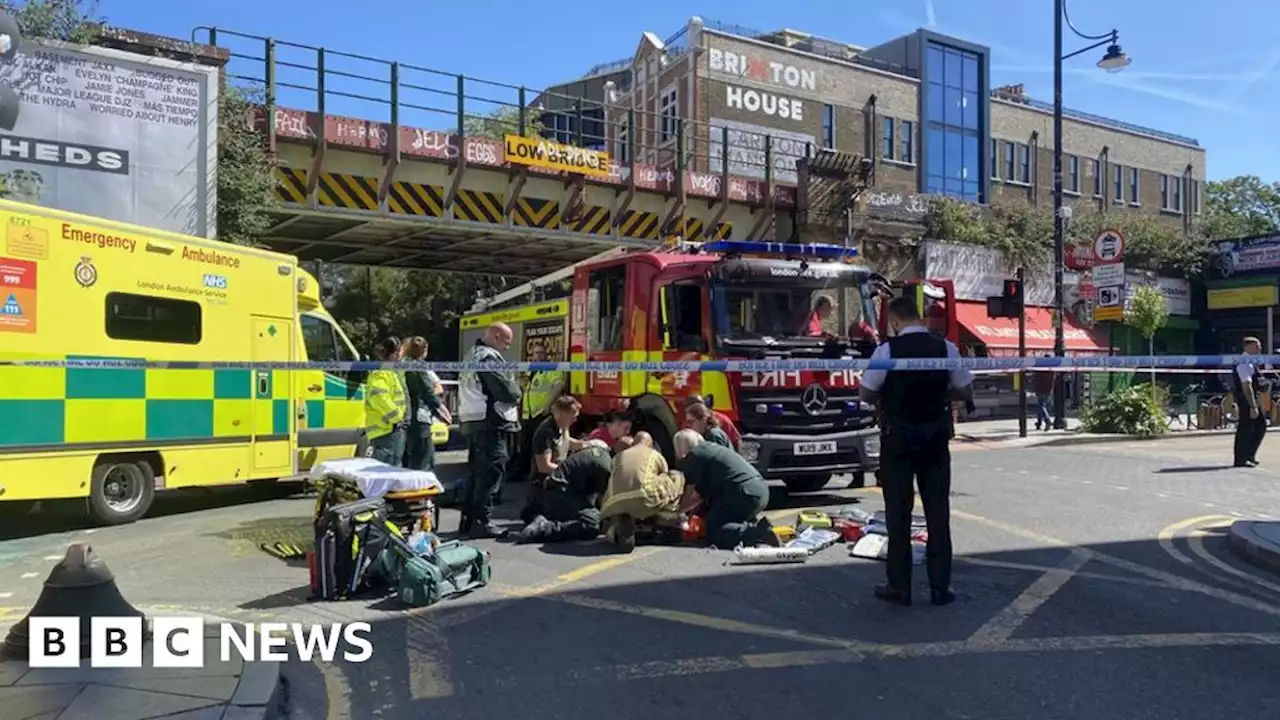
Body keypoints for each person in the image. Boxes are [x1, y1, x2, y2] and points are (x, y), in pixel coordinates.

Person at [859, 295, 973, 607]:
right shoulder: (945, 348)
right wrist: (937, 390)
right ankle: (940, 588)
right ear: (918, 316)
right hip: (935, 436)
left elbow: (866, 393)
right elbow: (965, 389)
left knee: (898, 513)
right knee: (938, 512)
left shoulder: (887, 350)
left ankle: (900, 587)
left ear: (895, 321)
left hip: (897, 439)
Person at [457, 323, 521, 538]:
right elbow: (507, 392)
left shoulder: (472, 355)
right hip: (490, 421)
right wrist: (517, 391)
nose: (506, 348)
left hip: (474, 420)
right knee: (491, 471)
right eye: (506, 343)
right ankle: (481, 522)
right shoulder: (488, 358)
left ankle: (469, 520)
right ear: (495, 336)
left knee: (477, 472)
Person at [674, 430, 778, 550]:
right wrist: (683, 510)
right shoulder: (711, 449)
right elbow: (699, 496)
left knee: (715, 531)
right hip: (760, 490)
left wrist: (676, 512)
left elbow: (689, 493)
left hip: (741, 493)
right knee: (726, 517)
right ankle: (757, 527)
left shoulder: (695, 456)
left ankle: (756, 532)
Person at [513, 439, 614, 544]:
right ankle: (545, 528)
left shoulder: (595, 453)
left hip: (553, 489)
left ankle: (539, 513)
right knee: (593, 523)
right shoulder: (606, 466)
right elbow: (604, 503)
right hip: (560, 493)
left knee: (587, 512)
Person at [600, 432, 686, 552]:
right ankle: (665, 523)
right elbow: (665, 476)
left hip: (613, 503)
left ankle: (617, 525)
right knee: (675, 477)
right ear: (650, 444)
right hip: (644, 497)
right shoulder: (654, 454)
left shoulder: (618, 456)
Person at [521, 395, 585, 523]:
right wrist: (570, 472)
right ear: (560, 414)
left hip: (559, 478)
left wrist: (588, 444)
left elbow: (567, 443)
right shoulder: (545, 433)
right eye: (573, 414)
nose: (575, 419)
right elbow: (544, 466)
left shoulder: (563, 426)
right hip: (544, 486)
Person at [511, 345, 566, 486]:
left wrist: (547, 405)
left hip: (540, 414)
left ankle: (537, 476)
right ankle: (521, 473)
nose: (538, 356)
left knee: (540, 447)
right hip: (527, 414)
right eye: (536, 354)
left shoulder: (553, 369)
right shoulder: (531, 371)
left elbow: (559, 385)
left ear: (546, 355)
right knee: (525, 445)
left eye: (541, 353)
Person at [402, 336, 451, 471]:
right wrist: (442, 411)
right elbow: (427, 392)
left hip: (405, 416)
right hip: (419, 417)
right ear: (424, 350)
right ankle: (422, 490)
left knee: (410, 458)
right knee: (424, 459)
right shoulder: (418, 368)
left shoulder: (402, 365)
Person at [365, 336, 408, 466]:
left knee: (392, 473)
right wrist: (397, 417)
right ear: (395, 354)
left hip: (390, 431)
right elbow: (379, 398)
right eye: (400, 352)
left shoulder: (389, 372)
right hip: (386, 432)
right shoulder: (382, 373)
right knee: (387, 474)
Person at [1232, 336, 1270, 468]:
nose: (1260, 348)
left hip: (1252, 397)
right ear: (1247, 347)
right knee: (1246, 428)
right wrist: (1253, 406)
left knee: (1260, 425)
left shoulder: (1252, 362)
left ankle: (1249, 455)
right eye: (1257, 346)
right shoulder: (1244, 362)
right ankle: (1241, 459)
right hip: (1246, 399)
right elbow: (1246, 385)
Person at [1031, 354, 1055, 432]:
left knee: (1041, 406)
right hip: (1048, 389)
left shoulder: (1040, 368)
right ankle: (1039, 423)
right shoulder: (1051, 369)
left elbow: (1035, 376)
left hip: (1040, 389)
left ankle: (1047, 420)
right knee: (1042, 406)